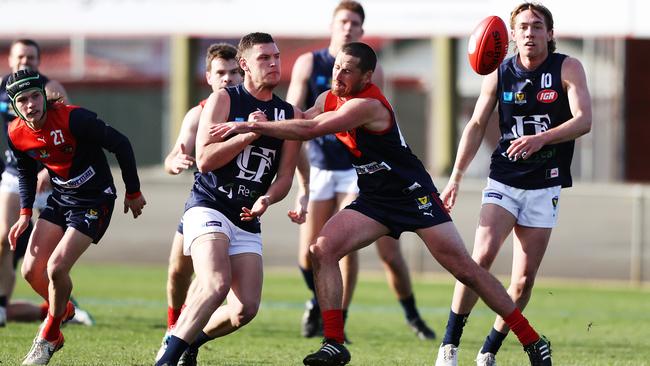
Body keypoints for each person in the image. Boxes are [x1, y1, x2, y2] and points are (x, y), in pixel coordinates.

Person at [213, 42, 553, 366]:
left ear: (366, 78)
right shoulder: (331, 96)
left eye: (347, 71)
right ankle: (334, 343)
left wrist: (248, 124)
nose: (338, 76)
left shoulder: (367, 105)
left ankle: (531, 339)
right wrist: (258, 107)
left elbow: (310, 129)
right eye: (336, 68)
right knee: (322, 250)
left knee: (466, 270)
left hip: (412, 195)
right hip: (375, 199)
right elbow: (301, 115)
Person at [435, 2, 591, 365]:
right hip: (504, 178)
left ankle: (489, 347)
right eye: (522, 27)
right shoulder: (500, 71)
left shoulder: (567, 67)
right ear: (511, 35)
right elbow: (475, 125)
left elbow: (584, 120)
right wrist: (455, 176)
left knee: (522, 282)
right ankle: (449, 344)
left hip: (546, 183)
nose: (529, 33)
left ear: (549, 34)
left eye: (537, 27)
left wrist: (543, 138)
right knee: (481, 258)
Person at [286, 0, 435, 341]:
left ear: (361, 30)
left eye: (354, 23)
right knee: (310, 250)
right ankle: (319, 303)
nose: (348, 28)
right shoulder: (310, 62)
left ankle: (346, 322)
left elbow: (376, 118)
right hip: (321, 165)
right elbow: (297, 115)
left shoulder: (370, 72)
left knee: (350, 246)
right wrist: (299, 180)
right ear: (332, 26)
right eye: (343, 22)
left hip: (358, 169)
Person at [154, 32, 302, 366]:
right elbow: (205, 159)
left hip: (247, 215)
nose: (274, 63)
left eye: (276, 56)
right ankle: (167, 357)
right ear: (245, 65)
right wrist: (250, 132)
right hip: (210, 205)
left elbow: (285, 175)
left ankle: (190, 341)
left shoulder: (289, 112)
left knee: (244, 310)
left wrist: (270, 199)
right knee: (215, 283)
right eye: (265, 58)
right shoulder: (225, 100)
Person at [5, 69, 146, 365]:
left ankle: (49, 335)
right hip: (62, 199)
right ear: (14, 107)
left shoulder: (74, 118)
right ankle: (64, 310)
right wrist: (25, 214)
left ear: (43, 96)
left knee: (56, 267)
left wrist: (133, 191)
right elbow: (27, 173)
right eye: (23, 100)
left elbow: (121, 144)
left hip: (96, 199)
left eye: (35, 96)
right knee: (31, 269)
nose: (31, 104)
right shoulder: (16, 133)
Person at [155, 43, 245, 361]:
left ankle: (187, 341)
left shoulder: (256, 111)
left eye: (235, 72)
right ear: (209, 77)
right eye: (221, 73)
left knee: (218, 290)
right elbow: (172, 155)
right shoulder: (200, 111)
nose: (228, 78)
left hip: (239, 212)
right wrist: (175, 161)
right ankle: (172, 332)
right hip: (203, 202)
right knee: (178, 271)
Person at [0, 38, 93, 327]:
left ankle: (65, 306)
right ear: (10, 59)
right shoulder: (1, 88)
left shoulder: (51, 89)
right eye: (20, 56)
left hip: (52, 178)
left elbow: (68, 133)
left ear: (39, 61)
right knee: (4, 237)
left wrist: (47, 171)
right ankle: (3, 305)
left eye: (31, 57)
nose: (25, 61)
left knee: (52, 252)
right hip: (16, 174)